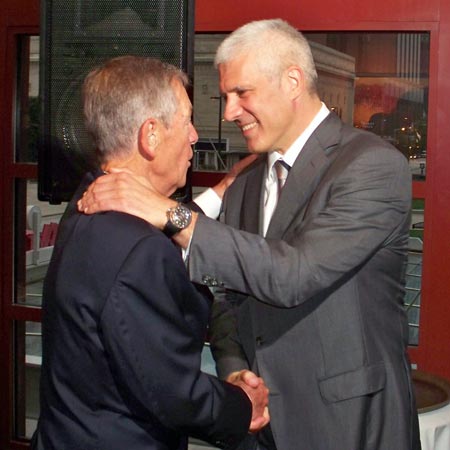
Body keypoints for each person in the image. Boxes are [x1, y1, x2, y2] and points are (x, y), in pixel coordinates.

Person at [78, 20, 421, 450]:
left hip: (348, 425)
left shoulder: (372, 166)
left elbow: (294, 273)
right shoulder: (245, 184)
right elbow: (227, 295)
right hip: (259, 428)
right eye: (225, 97)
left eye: (242, 93)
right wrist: (233, 367)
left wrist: (170, 213)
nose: (228, 113)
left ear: (293, 81)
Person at [31, 55, 270, 450]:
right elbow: (171, 392)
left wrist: (221, 190)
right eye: (187, 121)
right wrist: (244, 407)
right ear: (151, 136)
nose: (195, 136)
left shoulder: (90, 197)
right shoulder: (138, 251)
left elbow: (146, 230)